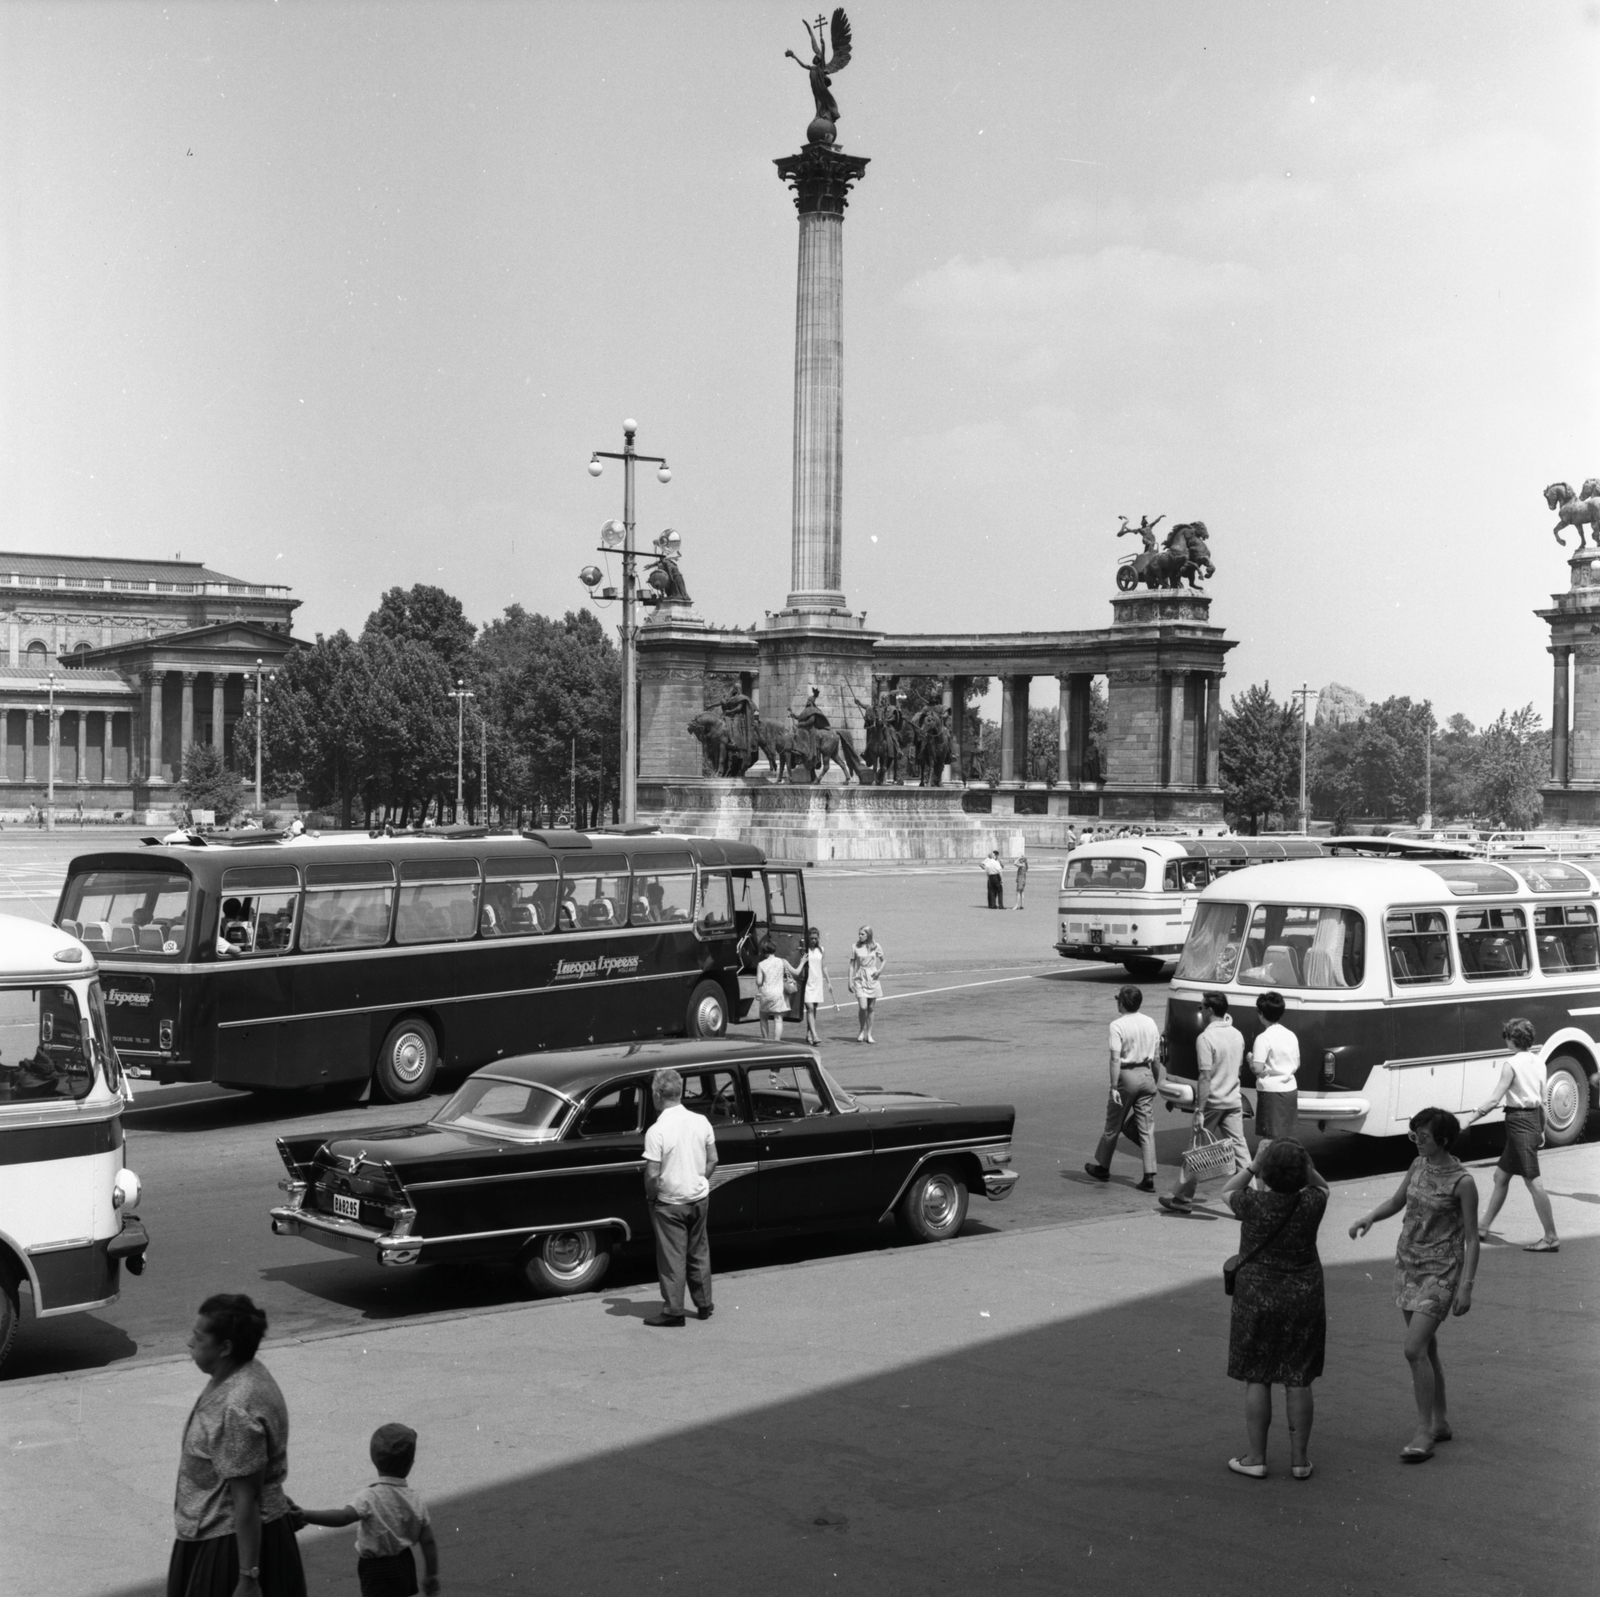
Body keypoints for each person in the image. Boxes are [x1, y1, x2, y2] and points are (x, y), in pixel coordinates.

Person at [1348, 1107, 1480, 1463]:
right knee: (1426, 1349)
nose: (1417, 1141)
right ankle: (1440, 1422)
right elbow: (1397, 1201)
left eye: (1423, 1136)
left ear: (1444, 1140)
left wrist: (1466, 1285)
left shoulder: (1462, 1182)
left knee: (1413, 1348)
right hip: (1409, 1266)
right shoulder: (1418, 1165)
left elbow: (1472, 1237)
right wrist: (1369, 1217)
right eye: (1414, 1135)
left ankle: (1424, 1433)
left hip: (1442, 1273)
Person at [169, 1294, 306, 1597]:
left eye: (199, 1336)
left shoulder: (236, 1407)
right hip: (217, 1534)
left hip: (227, 1547)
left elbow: (247, 1500)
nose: (190, 1343)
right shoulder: (243, 1371)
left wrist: (248, 1577)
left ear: (225, 1348)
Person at [1221, 1140, 1329, 1479]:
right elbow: (1322, 1185)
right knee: (1298, 1376)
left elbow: (1227, 1190)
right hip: (1303, 1296)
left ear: (1266, 1172)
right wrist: (1304, 1163)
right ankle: (1299, 1460)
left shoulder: (1252, 1203)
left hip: (1256, 1297)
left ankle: (1256, 1458)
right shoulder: (1312, 1202)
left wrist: (1255, 1163)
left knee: (1258, 1374)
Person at [287, 1424, 439, 1597]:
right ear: (410, 1464)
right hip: (403, 1565)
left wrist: (306, 1514)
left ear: (373, 1458)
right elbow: (428, 1542)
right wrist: (431, 1574)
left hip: (375, 1569)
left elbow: (343, 1517)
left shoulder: (369, 1497)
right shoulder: (415, 1500)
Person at [1465, 1017, 1559, 1252]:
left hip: (1519, 1124)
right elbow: (1541, 1101)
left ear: (1512, 1039)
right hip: (1529, 1123)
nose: (1505, 1040)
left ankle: (1550, 1237)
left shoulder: (1511, 1064)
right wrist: (1542, 1128)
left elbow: (1495, 1099)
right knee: (1500, 1177)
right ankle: (1484, 1226)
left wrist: (1468, 1119)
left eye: (1506, 1036)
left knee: (1533, 1182)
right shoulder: (1539, 1062)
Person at [1159, 992, 1250, 1214]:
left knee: (1197, 1150)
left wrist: (1199, 1110)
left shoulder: (1205, 1039)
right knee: (1240, 1151)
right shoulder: (1237, 1035)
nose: (1200, 1011)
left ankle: (1182, 1197)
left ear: (1209, 1010)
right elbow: (1238, 1070)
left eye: (1201, 1008)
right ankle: (1253, 1198)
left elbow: (1205, 1077)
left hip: (1212, 1103)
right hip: (1233, 1100)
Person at [641, 1068, 717, 1327]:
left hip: (670, 1203)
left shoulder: (657, 1131)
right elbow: (713, 1159)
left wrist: (652, 1198)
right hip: (698, 1198)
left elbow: (652, 1174)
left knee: (672, 1258)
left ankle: (674, 1311)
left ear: (658, 1095)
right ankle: (704, 1303)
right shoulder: (701, 1121)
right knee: (698, 1252)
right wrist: (699, 1179)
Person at [1085, 986, 1164, 1192]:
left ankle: (1103, 1167)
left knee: (1113, 1124)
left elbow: (1115, 1058)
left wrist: (1113, 1086)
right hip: (1146, 1075)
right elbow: (1156, 1058)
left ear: (1121, 1003)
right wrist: (1154, 1080)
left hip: (1126, 1077)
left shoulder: (1117, 1025)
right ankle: (1149, 1176)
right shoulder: (1150, 1022)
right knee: (1146, 1129)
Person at [1250, 991, 1300, 1154]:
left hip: (1271, 1092)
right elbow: (1297, 1063)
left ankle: (1264, 1172)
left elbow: (1257, 1069)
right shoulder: (1291, 1035)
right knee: (1286, 1137)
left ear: (1261, 1014)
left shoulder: (1263, 1038)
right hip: (1290, 1090)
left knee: (1269, 1138)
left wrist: (1250, 1060)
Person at [755, 936, 800, 1042]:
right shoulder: (782, 961)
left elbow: (759, 982)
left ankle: (766, 1040)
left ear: (763, 951)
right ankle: (776, 1042)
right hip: (778, 994)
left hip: (766, 994)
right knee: (778, 1020)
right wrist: (802, 962)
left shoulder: (761, 965)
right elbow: (796, 972)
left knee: (763, 1018)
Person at [800, 927, 833, 1046]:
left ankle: (808, 1034)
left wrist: (829, 982)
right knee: (809, 1008)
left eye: (815, 938)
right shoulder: (804, 950)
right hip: (807, 982)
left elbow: (824, 966)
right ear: (808, 938)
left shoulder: (821, 949)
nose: (813, 940)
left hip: (817, 982)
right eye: (811, 938)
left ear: (818, 938)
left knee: (814, 1010)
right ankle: (815, 1035)